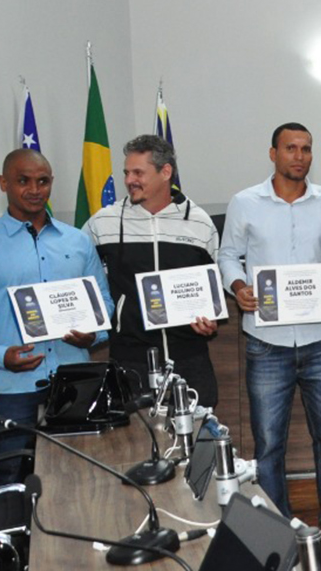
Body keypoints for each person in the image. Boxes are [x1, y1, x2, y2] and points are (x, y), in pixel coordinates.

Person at [217, 123, 321, 557]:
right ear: (273, 153)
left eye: (306, 149)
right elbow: (228, 255)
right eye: (291, 148)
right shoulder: (245, 202)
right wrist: (239, 287)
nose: (299, 156)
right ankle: (276, 534)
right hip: (266, 341)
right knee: (268, 446)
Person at [0, 149, 109, 487]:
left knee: (83, 481)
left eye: (42, 181)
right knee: (9, 482)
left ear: (51, 183)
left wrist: (95, 334)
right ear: (3, 183)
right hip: (12, 387)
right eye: (23, 181)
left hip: (74, 383)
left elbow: (103, 302)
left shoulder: (77, 241)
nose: (34, 190)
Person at [84, 135, 222, 408]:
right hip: (130, 358)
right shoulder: (103, 223)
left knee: (197, 431)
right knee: (133, 435)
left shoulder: (200, 223)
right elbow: (80, 277)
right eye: (126, 172)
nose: (129, 180)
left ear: (165, 172)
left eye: (138, 173)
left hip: (190, 357)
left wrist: (210, 318)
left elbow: (212, 284)